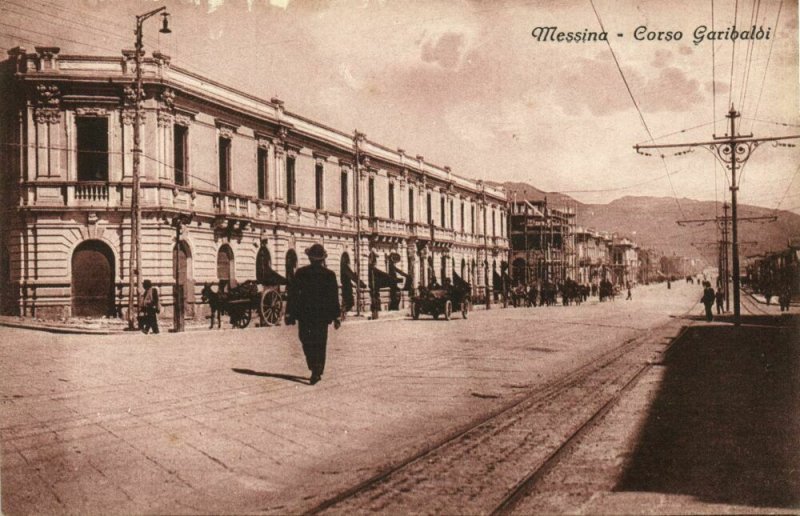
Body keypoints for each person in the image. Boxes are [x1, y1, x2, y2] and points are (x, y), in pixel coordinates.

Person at [285, 244, 341, 385]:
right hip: (321, 316)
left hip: (305, 315)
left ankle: (314, 367)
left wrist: (289, 313)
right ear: (322, 259)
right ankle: (317, 369)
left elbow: (293, 295)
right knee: (320, 342)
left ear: (310, 258)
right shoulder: (329, 275)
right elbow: (334, 297)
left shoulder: (301, 273)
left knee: (305, 340)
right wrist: (336, 316)